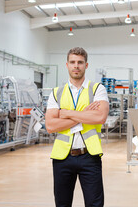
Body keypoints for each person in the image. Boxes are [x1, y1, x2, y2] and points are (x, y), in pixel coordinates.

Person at [45, 47, 109, 207]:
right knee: (62, 204)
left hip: (89, 156)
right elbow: (50, 125)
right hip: (62, 157)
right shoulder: (56, 93)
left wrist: (65, 112)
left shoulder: (97, 89)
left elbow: (100, 117)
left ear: (86, 65)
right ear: (67, 65)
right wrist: (84, 115)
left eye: (80, 62)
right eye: (72, 62)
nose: (76, 66)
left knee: (95, 204)